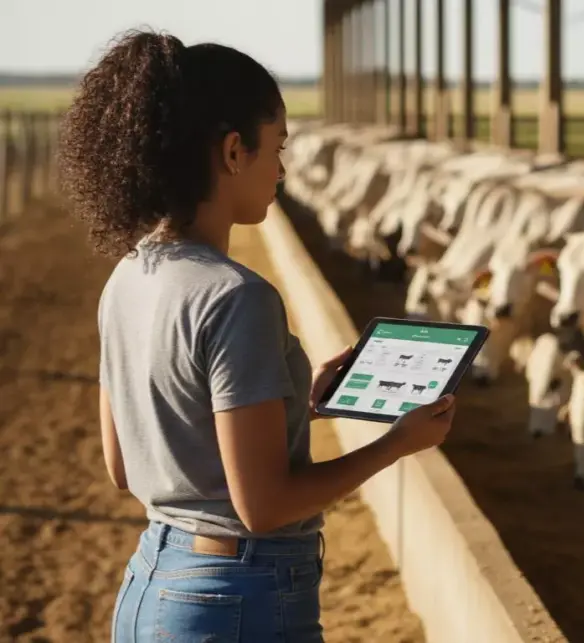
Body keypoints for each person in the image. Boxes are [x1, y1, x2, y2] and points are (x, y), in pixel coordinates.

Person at [57, 29, 457, 642]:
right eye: (279, 144)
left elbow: (124, 463)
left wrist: (300, 404)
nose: (284, 167)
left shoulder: (129, 273)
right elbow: (264, 508)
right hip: (237, 600)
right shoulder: (237, 296)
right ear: (235, 151)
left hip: (151, 586)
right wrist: (396, 444)